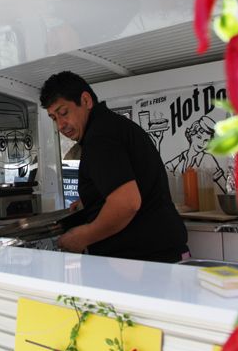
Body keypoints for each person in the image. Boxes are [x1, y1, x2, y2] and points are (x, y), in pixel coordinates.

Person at [40, 71, 188, 263]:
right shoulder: (113, 126)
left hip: (145, 261)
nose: (60, 125)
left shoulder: (100, 138)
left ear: (85, 101)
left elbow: (127, 203)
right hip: (160, 255)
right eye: (54, 118)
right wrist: (93, 200)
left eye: (63, 113)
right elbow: (130, 185)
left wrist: (83, 236)